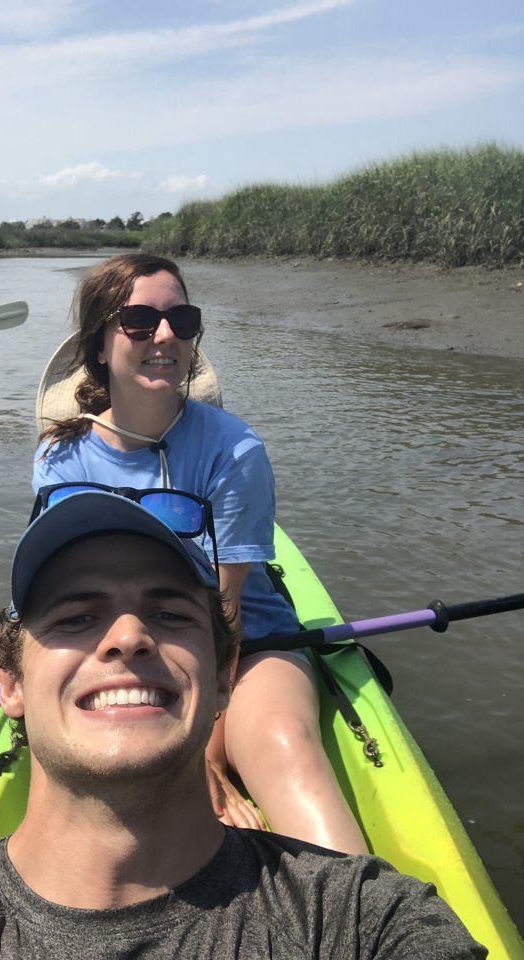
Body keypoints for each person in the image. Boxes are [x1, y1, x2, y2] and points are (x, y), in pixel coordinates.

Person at [0, 489, 485, 958]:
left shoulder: (364, 921)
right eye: (75, 616)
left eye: (168, 614)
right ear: (9, 684)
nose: (127, 637)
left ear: (223, 677)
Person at [31, 253, 367, 852]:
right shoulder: (59, 458)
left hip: (244, 646)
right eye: (138, 320)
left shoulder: (233, 450)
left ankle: (363, 912)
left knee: (283, 745)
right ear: (101, 345)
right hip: (119, 640)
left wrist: (202, 746)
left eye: (181, 320)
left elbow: (227, 608)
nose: (164, 336)